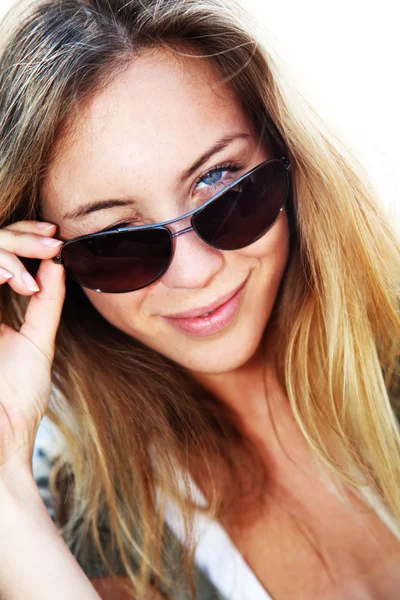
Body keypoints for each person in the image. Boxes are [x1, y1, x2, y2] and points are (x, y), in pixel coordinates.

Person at [0, 0, 399, 598]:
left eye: (220, 184)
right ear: (50, 264)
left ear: (289, 161)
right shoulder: (101, 529)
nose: (196, 271)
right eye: (116, 240)